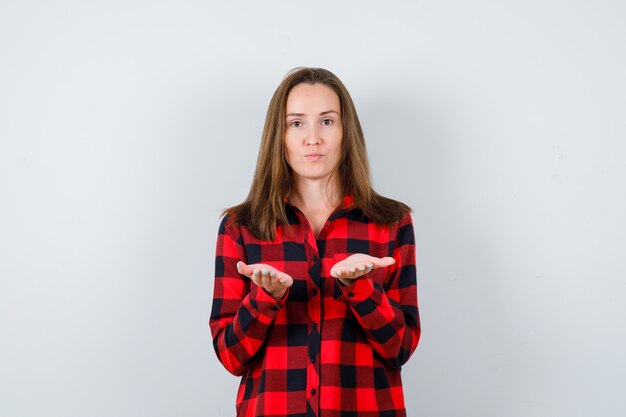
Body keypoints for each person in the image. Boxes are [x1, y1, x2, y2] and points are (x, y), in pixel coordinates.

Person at [209, 67, 420, 417]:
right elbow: (231, 357)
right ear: (279, 135)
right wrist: (266, 297)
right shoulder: (240, 228)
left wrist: (361, 289)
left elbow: (400, 348)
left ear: (345, 131)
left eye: (326, 121)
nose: (312, 138)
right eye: (296, 123)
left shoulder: (392, 223)